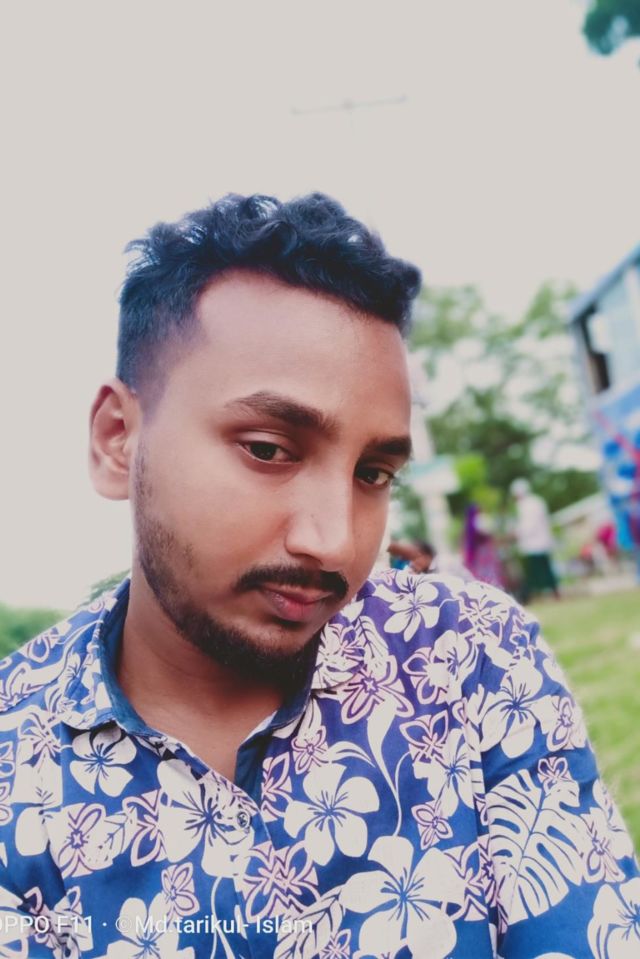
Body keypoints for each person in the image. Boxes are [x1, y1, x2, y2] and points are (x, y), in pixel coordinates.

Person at [0, 194, 636, 959]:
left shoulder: (468, 656)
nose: (334, 542)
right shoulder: (14, 766)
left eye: (374, 473)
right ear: (116, 439)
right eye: (268, 449)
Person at [510, 478, 560, 602]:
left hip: (533, 543)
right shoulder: (537, 501)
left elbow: (528, 525)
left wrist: (517, 533)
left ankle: (539, 594)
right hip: (541, 541)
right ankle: (552, 592)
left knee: (538, 571)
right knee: (545, 569)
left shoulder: (525, 505)